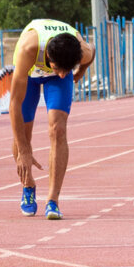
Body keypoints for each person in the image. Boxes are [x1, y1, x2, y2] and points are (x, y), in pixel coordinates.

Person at [9, 19, 96, 220]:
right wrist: (24, 151)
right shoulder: (28, 48)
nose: (64, 73)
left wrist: (80, 71)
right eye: (59, 68)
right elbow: (14, 104)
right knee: (22, 131)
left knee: (58, 130)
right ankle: (28, 185)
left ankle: (53, 200)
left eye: (68, 69)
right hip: (30, 74)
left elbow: (91, 50)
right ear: (48, 56)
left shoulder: (81, 50)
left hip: (55, 81)